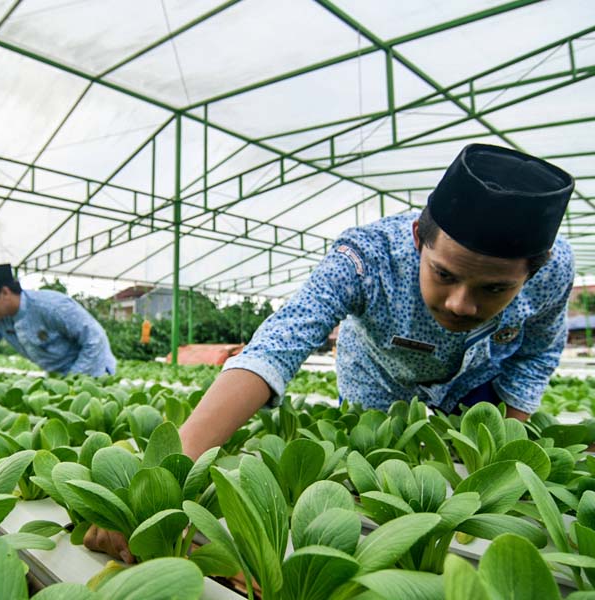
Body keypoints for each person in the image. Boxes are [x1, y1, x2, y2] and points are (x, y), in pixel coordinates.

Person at [84, 142, 576, 560]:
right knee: (376, 486)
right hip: (378, 385)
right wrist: (161, 486)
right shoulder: (364, 259)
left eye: (493, 289)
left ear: (535, 270)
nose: (460, 304)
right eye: (444, 274)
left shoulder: (554, 272)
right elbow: (277, 345)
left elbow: (537, 353)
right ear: (417, 239)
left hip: (479, 382)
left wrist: (504, 447)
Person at [0, 264, 116, 379]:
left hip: (95, 370)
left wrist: (74, 380)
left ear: (4, 292)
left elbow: (95, 340)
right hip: (59, 377)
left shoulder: (52, 306)